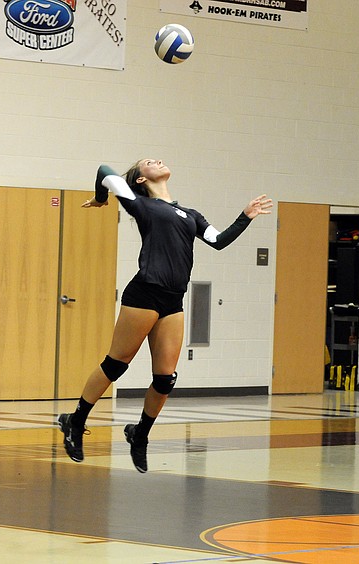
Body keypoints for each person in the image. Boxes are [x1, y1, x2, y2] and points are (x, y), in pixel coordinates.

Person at [57, 159, 273, 472]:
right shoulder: (140, 204)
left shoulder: (191, 214)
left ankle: (139, 434)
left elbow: (218, 241)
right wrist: (103, 199)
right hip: (144, 293)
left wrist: (245, 216)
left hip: (173, 300)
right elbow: (104, 171)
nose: (157, 161)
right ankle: (75, 421)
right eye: (149, 163)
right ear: (142, 179)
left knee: (165, 379)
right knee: (115, 365)